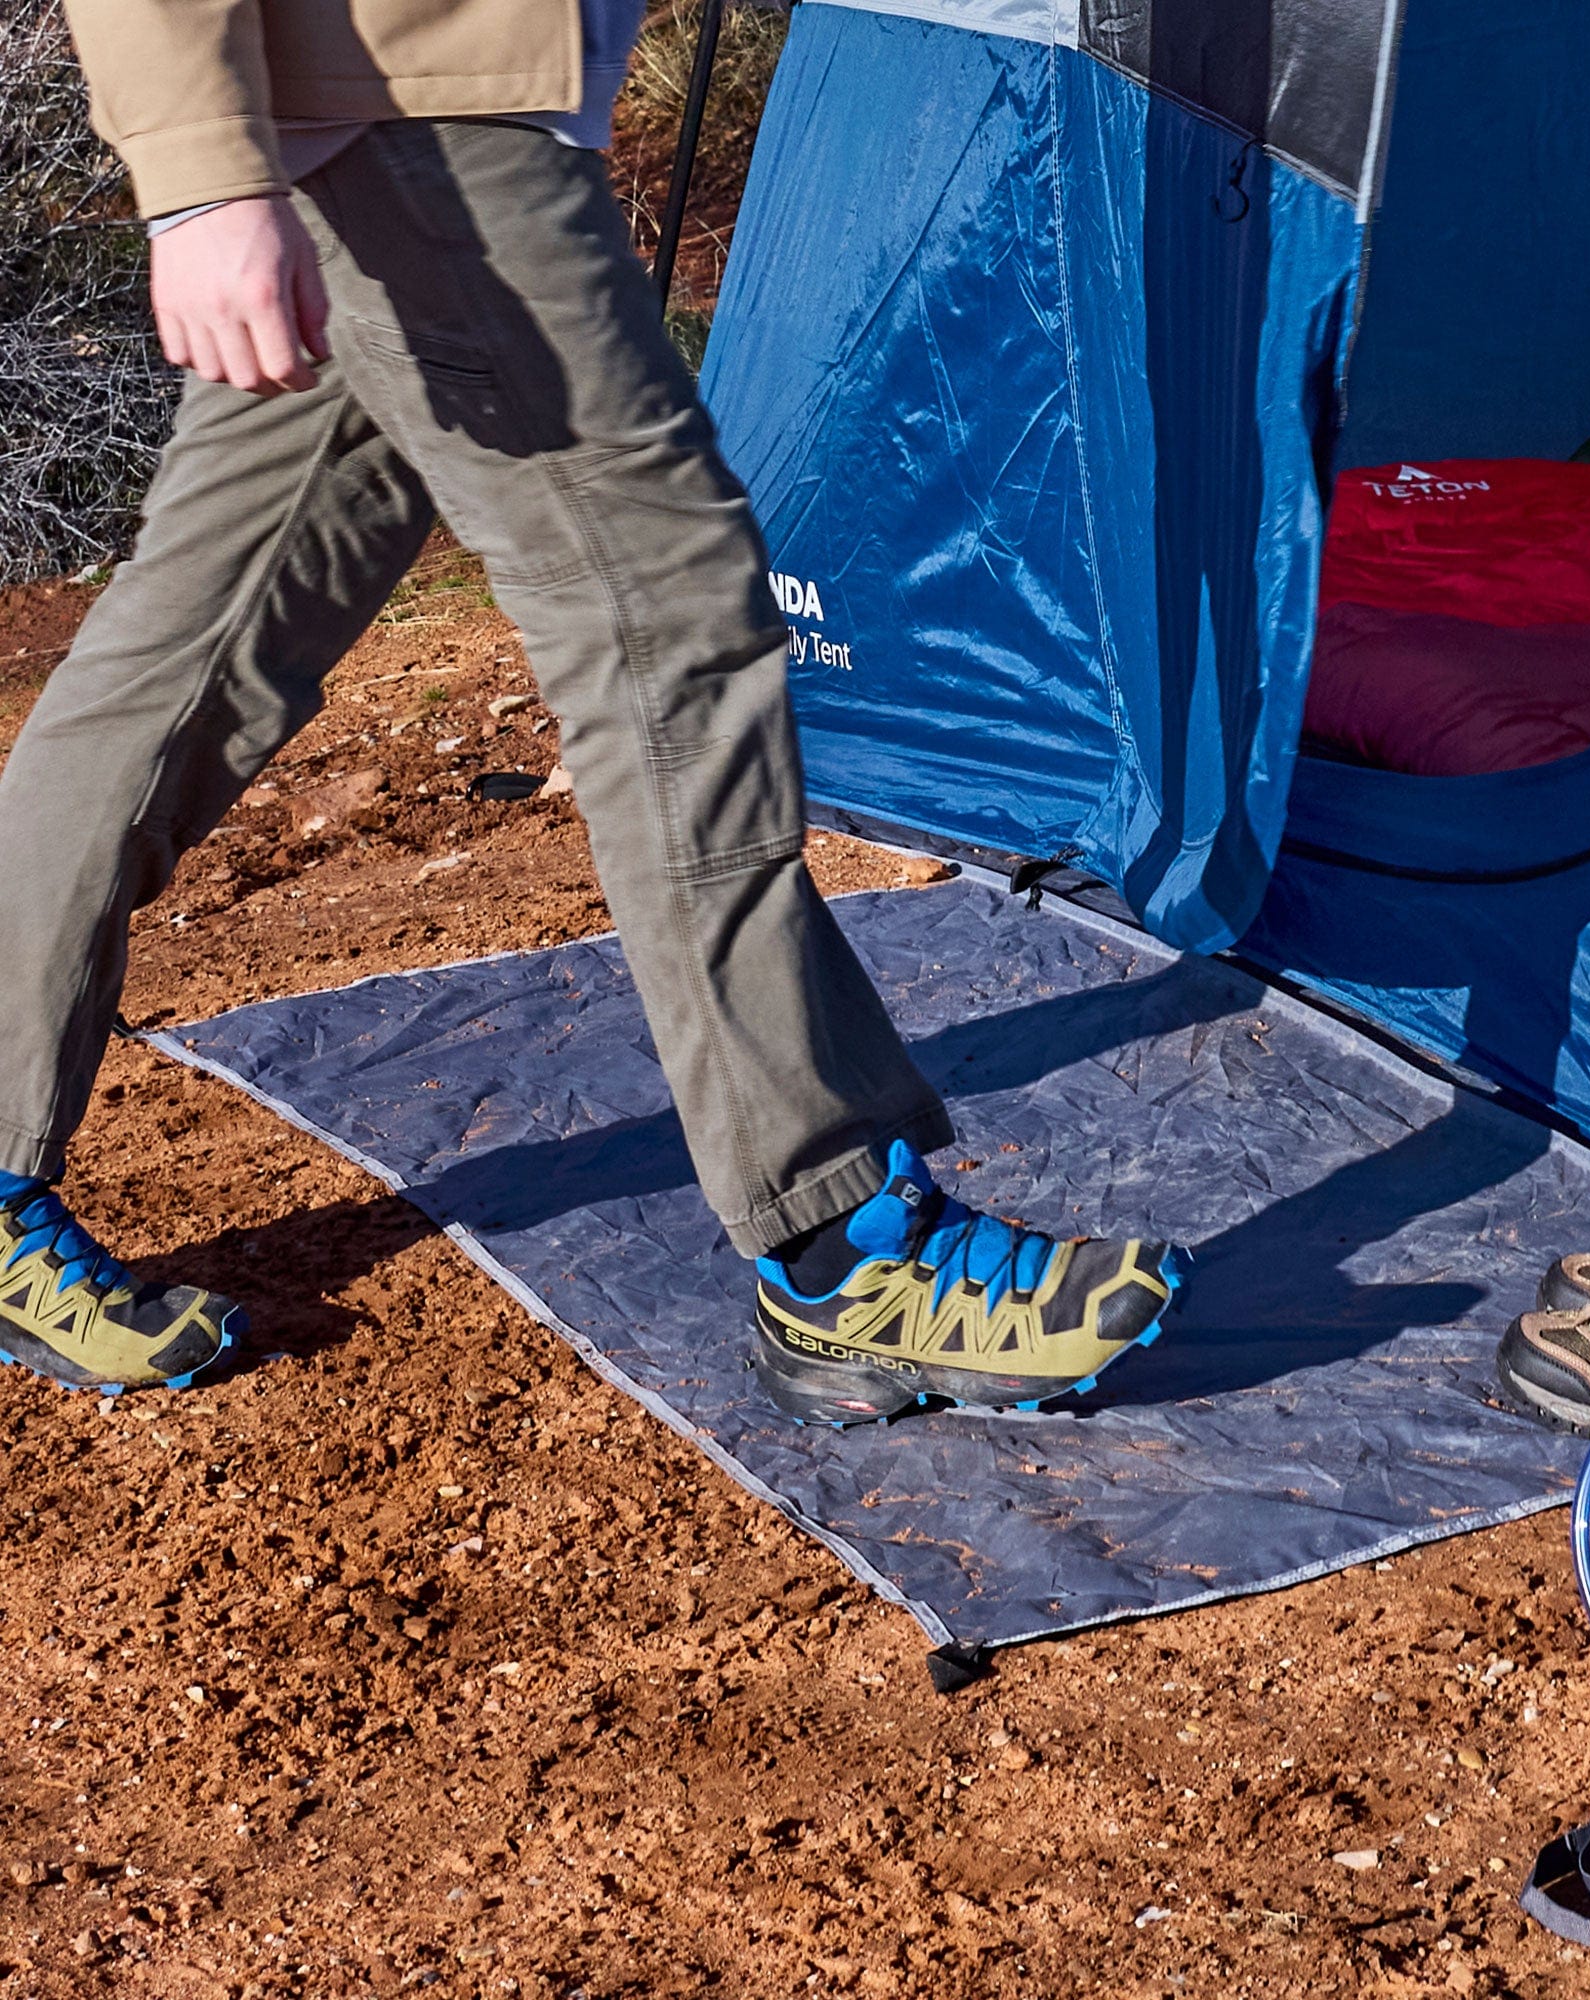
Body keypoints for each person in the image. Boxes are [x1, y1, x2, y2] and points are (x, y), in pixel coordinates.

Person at [0, 0, 1182, 1418]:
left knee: (188, 652)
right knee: (667, 614)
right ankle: (839, 1240)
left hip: (398, 107)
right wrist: (199, 171)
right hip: (412, 117)